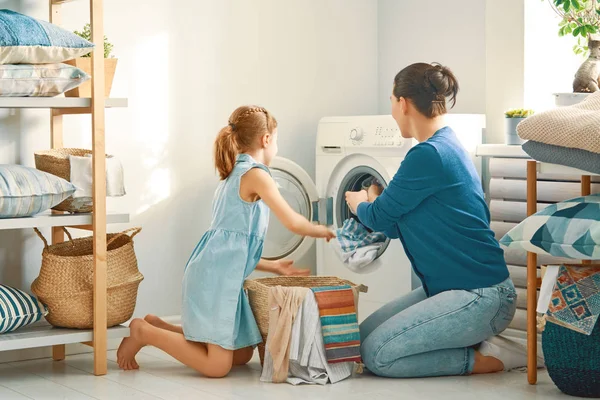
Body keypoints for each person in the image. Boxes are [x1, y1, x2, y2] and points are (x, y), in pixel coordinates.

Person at [345, 63, 533, 378]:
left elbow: (377, 217)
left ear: (402, 102)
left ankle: (495, 358)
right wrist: (376, 204)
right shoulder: (440, 147)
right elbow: (392, 225)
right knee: (361, 343)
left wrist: (359, 203)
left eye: (392, 101)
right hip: (447, 290)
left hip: (480, 296)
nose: (392, 110)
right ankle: (468, 342)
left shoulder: (428, 155)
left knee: (378, 356)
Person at [117, 106, 335, 377]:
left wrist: (273, 266)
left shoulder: (234, 173)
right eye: (276, 139)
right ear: (266, 139)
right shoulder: (256, 175)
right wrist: (323, 230)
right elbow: (291, 221)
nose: (276, 146)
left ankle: (157, 325)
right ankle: (144, 332)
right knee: (217, 367)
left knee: (241, 355)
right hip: (215, 281)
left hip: (215, 275)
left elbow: (232, 249)